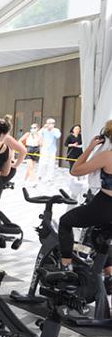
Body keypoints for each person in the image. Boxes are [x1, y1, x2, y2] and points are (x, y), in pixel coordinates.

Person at [61, 122, 112, 278]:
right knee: (100, 237)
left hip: (105, 204)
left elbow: (75, 170)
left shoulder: (107, 156)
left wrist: (90, 147)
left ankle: (65, 267)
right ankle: (109, 275)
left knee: (65, 222)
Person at [38, 118, 62, 182]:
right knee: (42, 162)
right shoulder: (44, 130)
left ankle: (49, 177)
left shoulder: (56, 130)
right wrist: (43, 128)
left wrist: (51, 130)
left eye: (51, 123)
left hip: (52, 149)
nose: (49, 124)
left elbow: (58, 136)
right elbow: (39, 133)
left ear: (54, 124)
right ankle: (40, 175)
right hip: (44, 149)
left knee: (51, 164)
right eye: (48, 123)